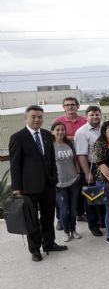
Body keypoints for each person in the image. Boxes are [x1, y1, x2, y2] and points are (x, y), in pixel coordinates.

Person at [10, 106, 67, 261]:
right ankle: (35, 249)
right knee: (32, 219)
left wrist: (54, 177)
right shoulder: (18, 137)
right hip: (28, 187)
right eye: (33, 116)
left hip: (48, 185)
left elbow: (51, 159)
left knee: (48, 216)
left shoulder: (48, 135)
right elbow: (15, 165)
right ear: (26, 118)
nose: (37, 120)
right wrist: (17, 188)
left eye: (40, 117)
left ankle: (49, 243)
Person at [74, 106, 105, 237]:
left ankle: (103, 221)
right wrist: (87, 173)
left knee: (103, 195)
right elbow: (81, 154)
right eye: (91, 115)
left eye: (97, 114)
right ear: (86, 117)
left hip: (104, 166)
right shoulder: (82, 132)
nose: (95, 117)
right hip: (91, 167)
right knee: (92, 198)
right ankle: (93, 225)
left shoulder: (104, 128)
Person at [51, 122, 82, 242]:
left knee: (73, 208)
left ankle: (73, 230)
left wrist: (78, 172)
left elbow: (75, 159)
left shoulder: (69, 143)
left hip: (73, 181)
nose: (60, 132)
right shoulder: (50, 146)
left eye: (62, 130)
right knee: (64, 210)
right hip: (60, 184)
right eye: (57, 130)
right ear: (52, 132)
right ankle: (66, 231)